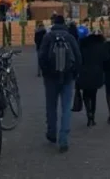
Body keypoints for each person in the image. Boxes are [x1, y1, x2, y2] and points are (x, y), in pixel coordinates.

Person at [37, 14, 82, 153]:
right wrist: (75, 73)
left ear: (53, 23)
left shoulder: (48, 37)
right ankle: (63, 139)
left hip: (50, 78)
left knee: (51, 106)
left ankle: (51, 133)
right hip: (68, 77)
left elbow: (41, 56)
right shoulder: (70, 37)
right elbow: (78, 57)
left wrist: (45, 71)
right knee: (66, 108)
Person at [77, 27, 108, 127]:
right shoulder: (101, 45)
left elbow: (78, 58)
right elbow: (105, 59)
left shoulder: (83, 45)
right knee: (93, 95)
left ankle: (88, 113)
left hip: (84, 72)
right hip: (96, 73)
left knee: (85, 94)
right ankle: (92, 116)